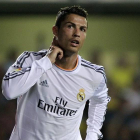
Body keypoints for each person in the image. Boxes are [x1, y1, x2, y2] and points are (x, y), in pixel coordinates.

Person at [2, 6, 110, 140]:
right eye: (70, 26)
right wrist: (46, 61)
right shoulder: (30, 60)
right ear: (55, 30)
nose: (77, 33)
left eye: (82, 29)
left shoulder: (94, 74)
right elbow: (9, 91)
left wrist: (93, 134)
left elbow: (100, 100)